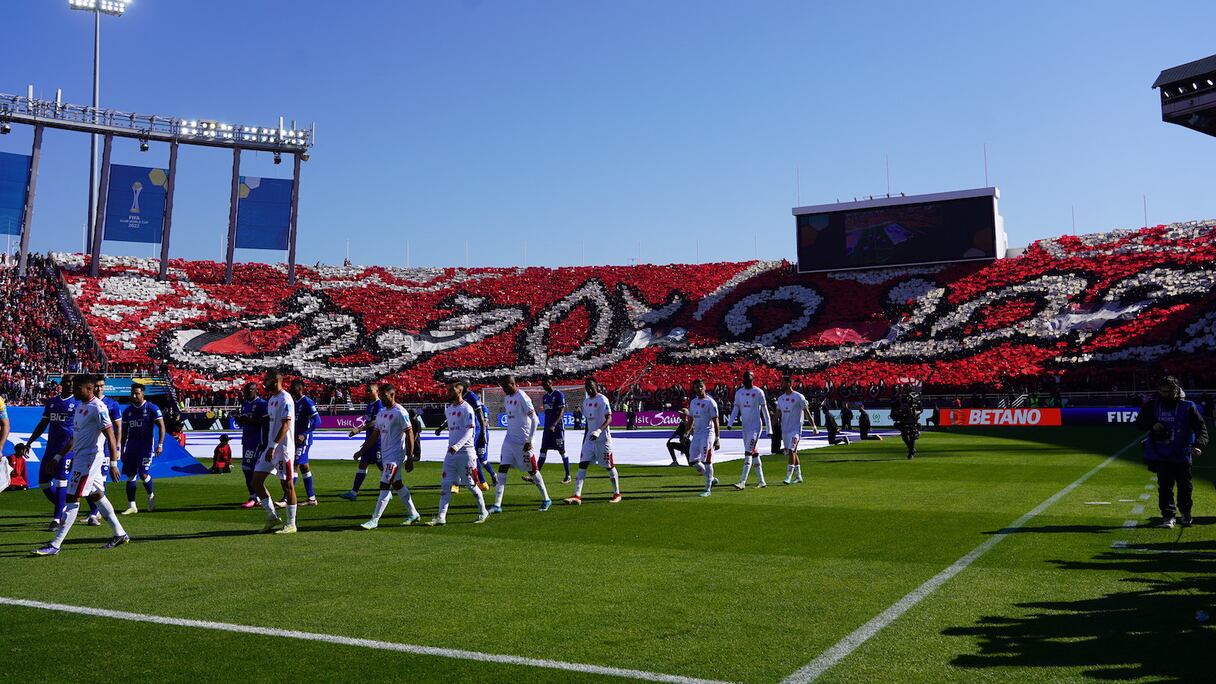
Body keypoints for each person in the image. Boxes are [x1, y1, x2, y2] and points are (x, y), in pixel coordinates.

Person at [32, 375, 129, 555]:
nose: (74, 390)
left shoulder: (98, 408)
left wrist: (114, 462)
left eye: (78, 388)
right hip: (79, 457)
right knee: (97, 496)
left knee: (71, 499)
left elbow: (111, 435)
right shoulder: (80, 406)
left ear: (89, 389)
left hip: (89, 460)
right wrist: (58, 456)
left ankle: (55, 544)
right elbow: (75, 437)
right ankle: (120, 533)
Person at [1136, 376, 1208, 528]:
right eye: (1162, 391)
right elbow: (1140, 422)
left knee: (1185, 487)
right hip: (1161, 454)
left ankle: (1186, 512)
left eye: (1168, 392)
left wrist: (1199, 445)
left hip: (1182, 453)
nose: (1164, 395)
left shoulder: (1188, 406)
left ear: (1175, 390)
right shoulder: (1152, 405)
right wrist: (1153, 424)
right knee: (1165, 487)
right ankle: (1168, 516)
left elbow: (1201, 428)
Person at [357, 383, 421, 529]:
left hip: (396, 455)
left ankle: (375, 520)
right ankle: (414, 514)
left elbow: (410, 434)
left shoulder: (401, 412)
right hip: (386, 455)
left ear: (392, 395)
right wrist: (362, 451)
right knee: (397, 484)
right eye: (381, 395)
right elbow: (375, 435)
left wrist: (410, 457)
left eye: (384, 396)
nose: (382, 398)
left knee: (384, 484)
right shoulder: (382, 413)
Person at [427, 381, 489, 526]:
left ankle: (483, 511)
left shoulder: (467, 409)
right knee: (445, 484)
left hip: (466, 453)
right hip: (451, 454)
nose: (447, 393)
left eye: (450, 390)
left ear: (459, 391)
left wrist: (457, 445)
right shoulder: (449, 410)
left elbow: (470, 431)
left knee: (470, 484)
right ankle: (441, 517)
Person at [488, 375, 552, 514]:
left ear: (513, 384)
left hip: (523, 443)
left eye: (506, 386)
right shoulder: (507, 399)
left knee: (532, 471)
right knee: (502, 470)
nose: (504, 389)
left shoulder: (523, 397)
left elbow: (535, 420)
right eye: (503, 387)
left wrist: (530, 440)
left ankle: (546, 499)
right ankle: (497, 504)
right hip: (509, 441)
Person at [249, 369, 298, 534]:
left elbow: (285, 426)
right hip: (270, 448)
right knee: (256, 481)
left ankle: (291, 524)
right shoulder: (271, 399)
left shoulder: (286, 399)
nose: (264, 382)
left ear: (276, 380)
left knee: (287, 485)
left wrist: (273, 446)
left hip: (282, 449)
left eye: (267, 379)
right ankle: (272, 516)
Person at [26, 377, 78, 530]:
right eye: (67, 382)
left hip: (67, 449)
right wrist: (29, 442)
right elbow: (43, 424)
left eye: (73, 383)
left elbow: (77, 432)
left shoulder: (77, 403)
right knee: (43, 483)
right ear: (61, 384)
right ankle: (63, 507)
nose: (70, 385)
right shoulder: (51, 402)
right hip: (51, 448)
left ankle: (56, 519)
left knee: (62, 481)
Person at [563, 379, 622, 505]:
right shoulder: (586, 402)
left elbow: (609, 418)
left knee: (609, 466)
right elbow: (587, 424)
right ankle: (577, 495)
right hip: (590, 441)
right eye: (586, 387)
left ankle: (617, 494)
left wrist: (599, 431)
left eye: (590, 386)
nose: (588, 389)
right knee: (582, 465)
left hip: (603, 440)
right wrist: (585, 441)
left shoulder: (602, 400)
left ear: (596, 386)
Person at [119, 382, 165, 514]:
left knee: (143, 474)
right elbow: (124, 432)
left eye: (137, 393)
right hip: (131, 448)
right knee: (130, 476)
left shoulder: (151, 408)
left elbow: (161, 426)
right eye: (132, 393)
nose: (134, 396)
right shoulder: (128, 411)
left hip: (146, 447)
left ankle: (151, 495)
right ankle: (132, 505)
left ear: (143, 393)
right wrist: (122, 449)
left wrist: (160, 444)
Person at [340, 382, 384, 501]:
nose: (368, 393)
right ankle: (353, 493)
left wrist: (359, 429)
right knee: (362, 464)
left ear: (377, 391)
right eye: (367, 391)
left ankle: (387, 492)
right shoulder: (369, 405)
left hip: (377, 441)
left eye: (370, 391)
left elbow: (376, 422)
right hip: (369, 440)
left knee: (382, 467)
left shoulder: (379, 405)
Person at [730, 371, 772, 490]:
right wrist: (730, 422)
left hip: (755, 427)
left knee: (748, 452)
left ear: (753, 378)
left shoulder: (758, 392)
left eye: (748, 377)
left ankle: (742, 481)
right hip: (745, 427)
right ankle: (762, 481)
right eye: (744, 377)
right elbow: (735, 408)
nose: (746, 379)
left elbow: (765, 411)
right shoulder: (739, 393)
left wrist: (769, 429)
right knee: (754, 453)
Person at [776, 376, 816, 484]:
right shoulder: (781, 398)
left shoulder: (799, 397)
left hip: (795, 430)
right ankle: (799, 476)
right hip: (785, 430)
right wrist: (772, 424)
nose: (781, 385)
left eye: (783, 383)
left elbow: (806, 412)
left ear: (789, 383)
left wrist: (814, 426)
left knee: (792, 451)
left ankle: (788, 476)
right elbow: (778, 413)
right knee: (792, 452)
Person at [289, 379, 321, 506]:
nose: (291, 389)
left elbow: (317, 421)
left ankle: (287, 497)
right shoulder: (293, 402)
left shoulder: (307, 401)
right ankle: (311, 498)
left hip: (303, 440)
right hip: (295, 439)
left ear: (300, 389)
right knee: (304, 466)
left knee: (294, 466)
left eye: (293, 387)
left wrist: (305, 434)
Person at [688, 379, 720, 497]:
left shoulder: (710, 402)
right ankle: (711, 478)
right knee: (693, 461)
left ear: (705, 387)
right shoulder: (693, 402)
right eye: (697, 387)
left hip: (708, 434)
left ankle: (708, 489)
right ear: (694, 389)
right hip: (696, 434)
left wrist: (717, 438)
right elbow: (690, 419)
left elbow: (716, 420)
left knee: (707, 461)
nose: (699, 389)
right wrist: (686, 433)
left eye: (701, 386)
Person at [537, 377, 570, 484]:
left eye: (545, 384)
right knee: (543, 450)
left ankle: (568, 476)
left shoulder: (558, 394)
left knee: (561, 451)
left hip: (557, 428)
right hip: (547, 428)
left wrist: (554, 424)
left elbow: (561, 411)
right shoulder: (545, 397)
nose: (543, 386)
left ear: (550, 383)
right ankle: (536, 476)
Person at [891, 385, 922, 459]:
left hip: (912, 418)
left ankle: (911, 452)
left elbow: (920, 408)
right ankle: (911, 449)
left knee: (913, 435)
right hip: (903, 417)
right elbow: (895, 405)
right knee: (904, 435)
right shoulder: (901, 397)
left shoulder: (916, 397)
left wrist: (916, 412)